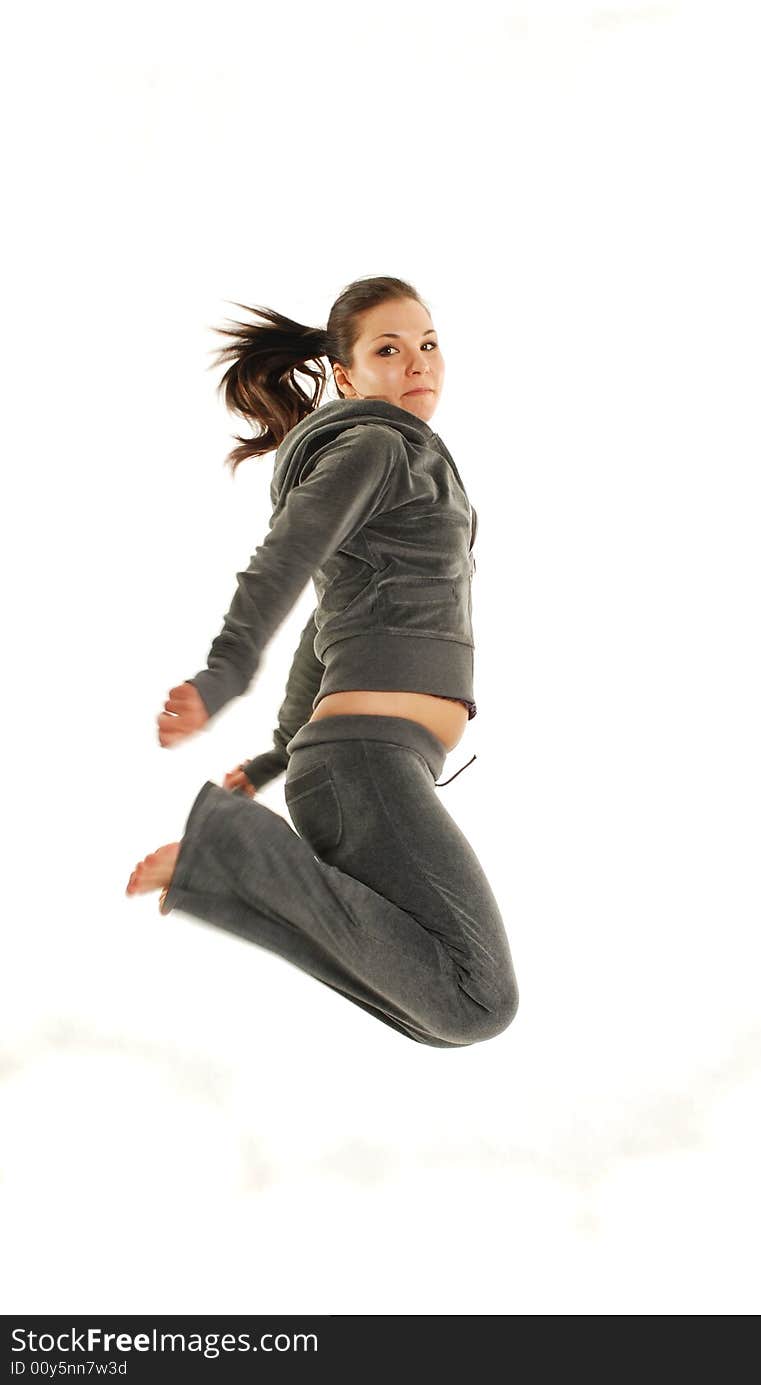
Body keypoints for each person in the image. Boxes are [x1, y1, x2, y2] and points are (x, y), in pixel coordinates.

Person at [125, 276, 519, 1049]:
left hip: (368, 762)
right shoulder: (371, 445)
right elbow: (287, 555)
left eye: (429, 344)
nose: (419, 363)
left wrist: (276, 753)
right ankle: (226, 852)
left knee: (444, 1014)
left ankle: (221, 864)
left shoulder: (413, 461)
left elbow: (326, 621)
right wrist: (225, 673)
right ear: (346, 375)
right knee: (478, 998)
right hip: (364, 761)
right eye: (389, 349)